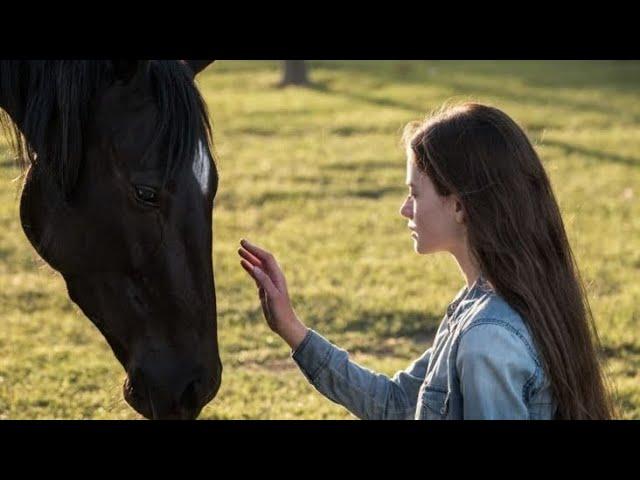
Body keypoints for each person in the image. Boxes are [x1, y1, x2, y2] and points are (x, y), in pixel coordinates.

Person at [238, 102, 615, 420]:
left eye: (414, 194)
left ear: (459, 207)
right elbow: (397, 403)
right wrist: (291, 328)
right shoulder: (481, 305)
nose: (404, 209)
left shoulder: (488, 338)